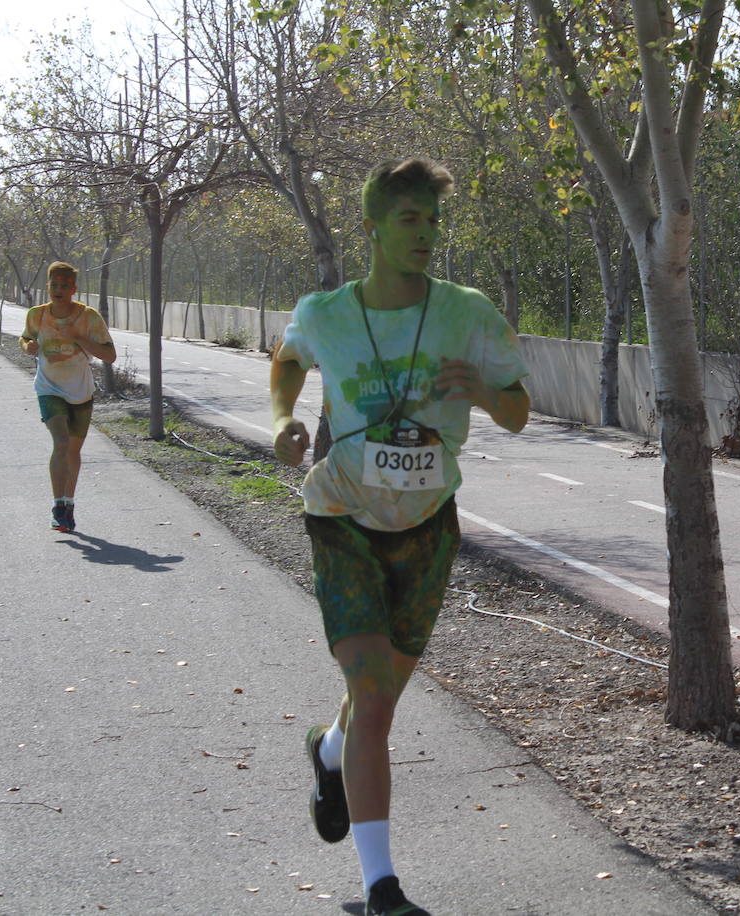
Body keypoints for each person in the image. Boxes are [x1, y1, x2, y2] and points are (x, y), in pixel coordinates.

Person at [270, 157, 530, 916]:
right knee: (376, 697)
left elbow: (517, 411)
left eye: (433, 219)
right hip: (342, 517)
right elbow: (287, 365)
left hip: (426, 527)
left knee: (372, 702)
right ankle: (382, 887)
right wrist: (284, 419)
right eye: (409, 218)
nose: (426, 232)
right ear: (374, 227)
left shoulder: (469, 311)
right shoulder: (325, 313)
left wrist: (479, 390)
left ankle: (328, 751)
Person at [18, 262, 117, 532]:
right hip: (49, 387)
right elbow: (25, 338)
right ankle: (57, 505)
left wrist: (80, 339)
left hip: (80, 390)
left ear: (73, 289)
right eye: (54, 285)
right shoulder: (37, 315)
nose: (58, 290)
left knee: (73, 450)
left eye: (64, 285)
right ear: (47, 286)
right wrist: (29, 346)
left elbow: (110, 355)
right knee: (60, 442)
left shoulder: (88, 317)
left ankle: (69, 504)